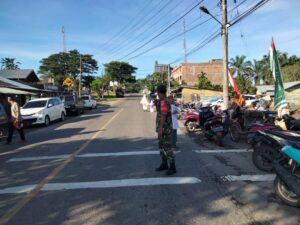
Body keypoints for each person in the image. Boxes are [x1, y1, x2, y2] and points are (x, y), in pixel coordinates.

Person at [155, 85, 176, 175]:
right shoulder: (164, 100)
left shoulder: (164, 102)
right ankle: (164, 164)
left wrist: (160, 129)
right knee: (161, 147)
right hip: (163, 128)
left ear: (158, 92)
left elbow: (163, 115)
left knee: (167, 148)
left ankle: (172, 167)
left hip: (164, 128)